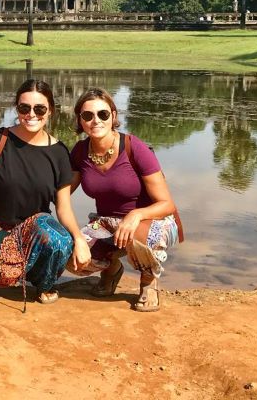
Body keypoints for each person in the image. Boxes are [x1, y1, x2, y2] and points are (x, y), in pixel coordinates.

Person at [0, 79, 91, 306]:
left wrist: (79, 238)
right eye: (24, 108)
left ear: (50, 111)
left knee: (60, 242)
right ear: (17, 108)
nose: (31, 114)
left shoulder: (59, 153)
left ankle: (43, 282)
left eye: (39, 109)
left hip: (32, 229)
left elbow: (63, 206)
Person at [69, 88, 180, 312]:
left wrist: (136, 214)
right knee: (71, 259)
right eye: (87, 116)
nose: (95, 121)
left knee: (140, 237)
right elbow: (61, 192)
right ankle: (112, 269)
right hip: (107, 223)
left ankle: (149, 281)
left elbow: (167, 204)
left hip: (152, 221)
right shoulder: (80, 152)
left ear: (113, 116)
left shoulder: (133, 147)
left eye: (102, 114)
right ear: (80, 120)